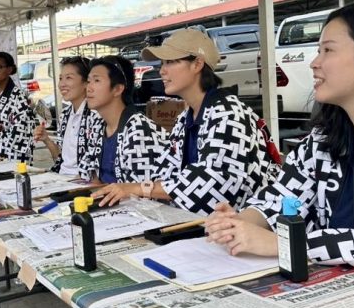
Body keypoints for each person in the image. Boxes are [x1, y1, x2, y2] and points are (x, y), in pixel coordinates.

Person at [205, 0, 354, 308]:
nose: (314, 63)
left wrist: (284, 245)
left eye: (327, 50)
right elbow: (278, 198)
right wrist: (238, 223)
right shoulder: (326, 138)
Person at [92, 29, 280, 213]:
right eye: (162, 63)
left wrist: (140, 188)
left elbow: (215, 183)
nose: (162, 70)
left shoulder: (229, 112)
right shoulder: (185, 117)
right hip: (208, 226)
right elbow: (164, 172)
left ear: (197, 64)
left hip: (246, 228)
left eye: (171, 62)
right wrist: (135, 187)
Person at [79, 55, 169, 183]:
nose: (88, 88)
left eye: (97, 80)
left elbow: (142, 192)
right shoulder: (98, 125)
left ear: (117, 89)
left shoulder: (139, 130)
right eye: (89, 81)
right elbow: (91, 176)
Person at [34, 56, 103, 176]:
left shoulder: (97, 116)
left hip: (82, 184)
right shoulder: (65, 115)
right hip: (62, 179)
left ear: (86, 82)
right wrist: (46, 139)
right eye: (61, 78)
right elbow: (60, 159)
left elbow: (98, 168)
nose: (62, 84)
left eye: (69, 78)